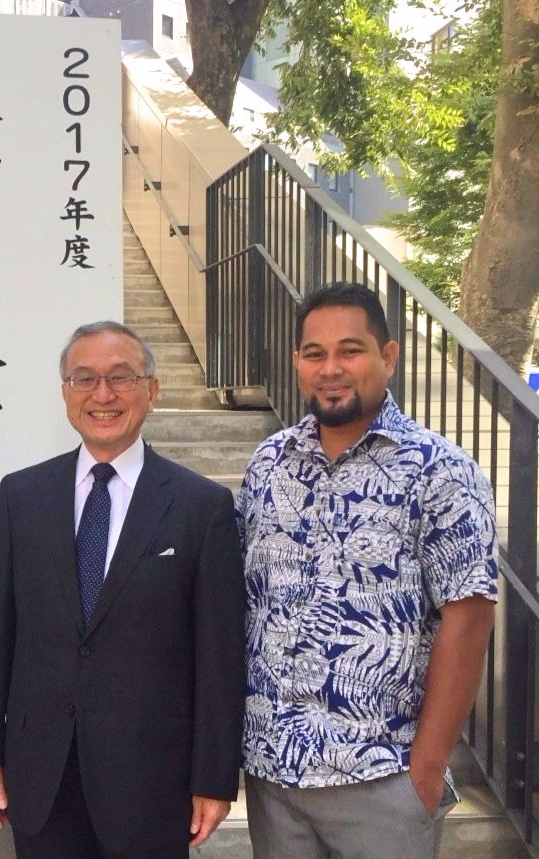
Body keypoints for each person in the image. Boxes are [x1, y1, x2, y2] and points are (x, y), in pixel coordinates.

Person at [236, 283, 498, 858]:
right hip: (273, 776)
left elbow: (470, 615)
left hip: (383, 777)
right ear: (297, 363)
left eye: (350, 350)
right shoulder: (267, 465)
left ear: (389, 356)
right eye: (314, 353)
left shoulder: (440, 469)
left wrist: (425, 769)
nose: (331, 369)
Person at [0, 320, 245, 857]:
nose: (102, 395)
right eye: (84, 379)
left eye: (121, 378)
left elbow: (218, 655)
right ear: (65, 392)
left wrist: (214, 777)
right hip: (41, 770)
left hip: (152, 779)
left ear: (152, 390)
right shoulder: (22, 496)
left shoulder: (200, 507)